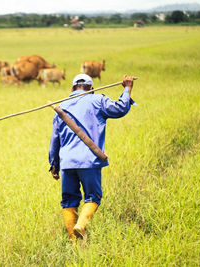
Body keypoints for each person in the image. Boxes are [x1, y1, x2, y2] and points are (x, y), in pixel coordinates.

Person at [49, 74, 135, 242]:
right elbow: (120, 109)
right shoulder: (98, 101)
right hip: (89, 160)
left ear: (72, 89)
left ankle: (75, 243)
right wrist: (127, 88)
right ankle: (80, 226)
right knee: (93, 197)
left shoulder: (62, 106)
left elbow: (55, 139)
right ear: (92, 89)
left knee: (68, 200)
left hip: (67, 163)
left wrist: (54, 165)